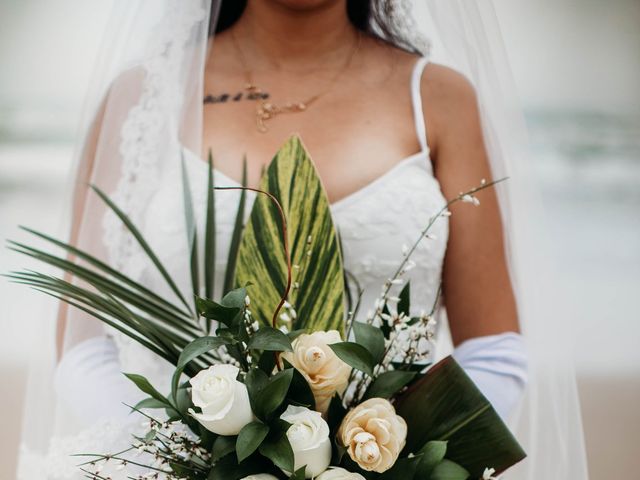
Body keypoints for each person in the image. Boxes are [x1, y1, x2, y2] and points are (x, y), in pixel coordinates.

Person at [17, 1, 587, 479]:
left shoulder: (438, 98)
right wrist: (185, 464)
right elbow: (84, 344)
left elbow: (494, 353)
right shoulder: (142, 98)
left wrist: (388, 465)